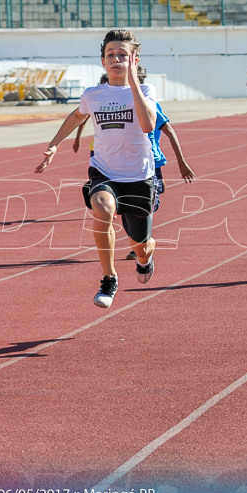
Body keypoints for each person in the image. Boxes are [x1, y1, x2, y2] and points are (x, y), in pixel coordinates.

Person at [35, 29, 158, 309]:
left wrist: (133, 81)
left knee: (140, 245)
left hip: (138, 176)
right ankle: (109, 276)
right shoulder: (94, 94)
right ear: (103, 61)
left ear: (134, 59)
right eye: (110, 55)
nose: (116, 59)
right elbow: (77, 115)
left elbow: (148, 125)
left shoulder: (146, 90)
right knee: (102, 210)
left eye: (123, 55)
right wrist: (54, 145)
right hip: (104, 171)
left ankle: (145, 257)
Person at [125, 64, 197, 258]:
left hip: (151, 163)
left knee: (145, 205)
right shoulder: (121, 102)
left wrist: (181, 162)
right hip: (128, 164)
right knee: (126, 210)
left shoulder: (151, 105)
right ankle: (137, 241)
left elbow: (170, 131)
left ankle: (140, 242)